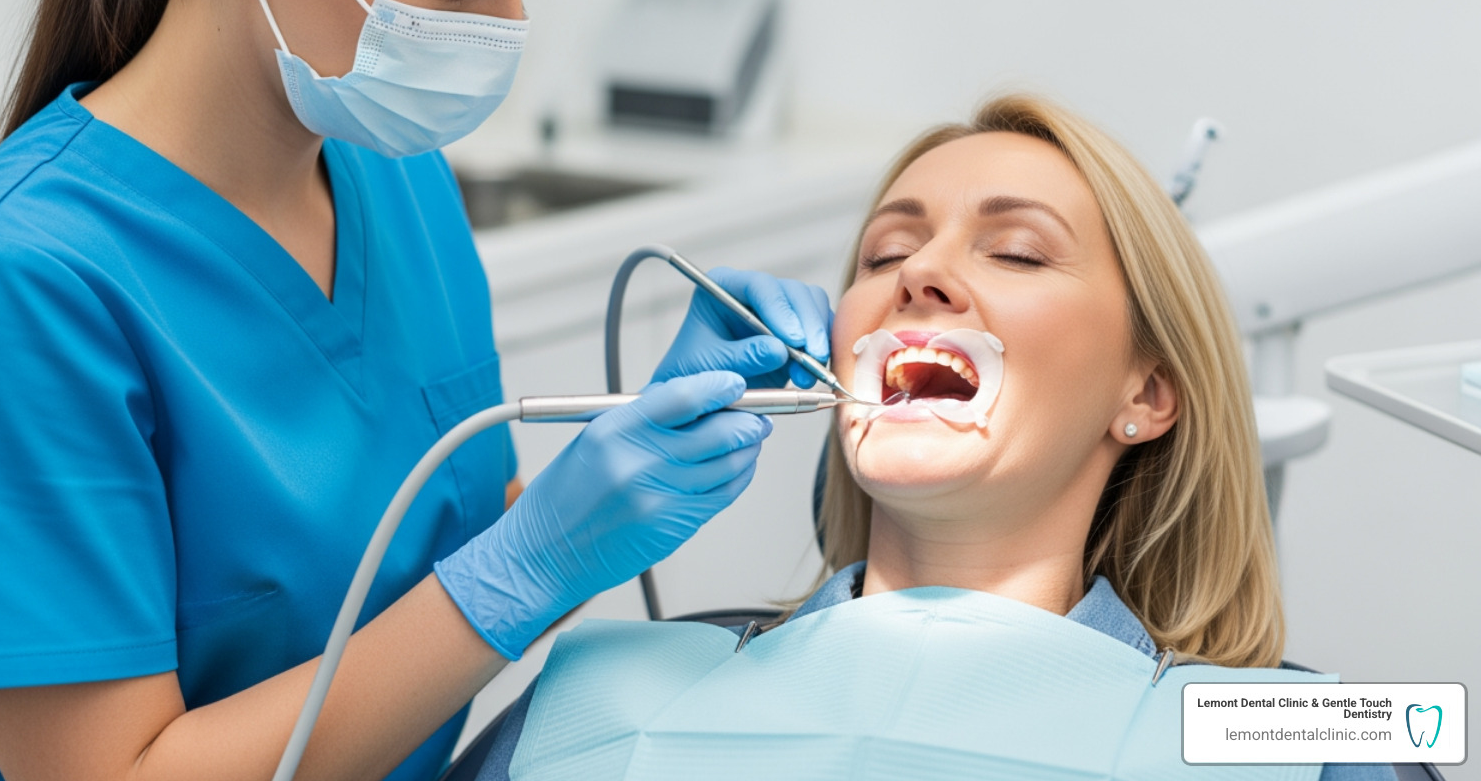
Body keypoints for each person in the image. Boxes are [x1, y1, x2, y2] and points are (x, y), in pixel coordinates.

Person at [0, 0, 835, 780]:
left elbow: (443, 571)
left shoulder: (399, 176)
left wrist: (614, 488)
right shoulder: (20, 277)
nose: (506, 29)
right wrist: (536, 558)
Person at [473, 95, 1395, 781]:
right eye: (884, 254)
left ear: (1147, 394)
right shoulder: (604, 692)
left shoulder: (1303, 734)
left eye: (1018, 251)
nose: (919, 272)